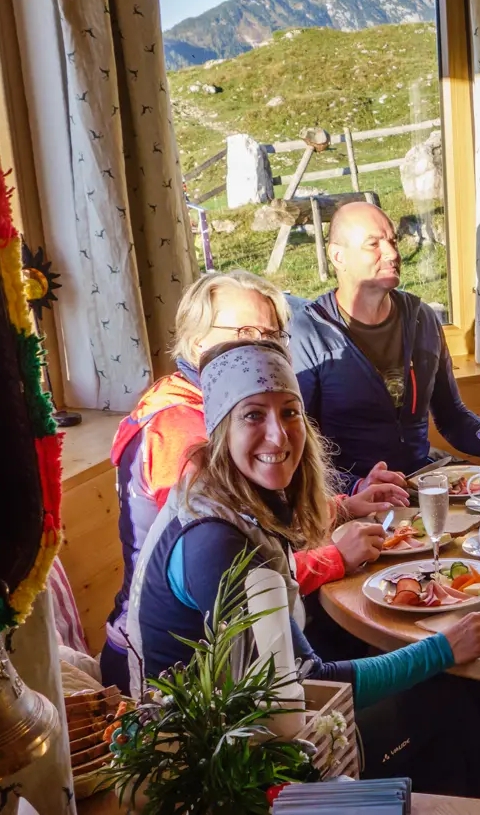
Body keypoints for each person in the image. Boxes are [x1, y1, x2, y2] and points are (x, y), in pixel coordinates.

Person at [125, 340, 480, 802]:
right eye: (253, 415)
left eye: (289, 413)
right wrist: (443, 650)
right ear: (220, 428)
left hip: (244, 714)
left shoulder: (229, 495)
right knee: (433, 693)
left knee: (431, 691)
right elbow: (307, 685)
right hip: (207, 763)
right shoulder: (217, 543)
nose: (279, 435)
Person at [103, 271, 405, 693]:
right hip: (177, 680)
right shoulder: (180, 430)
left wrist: (345, 504)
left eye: (273, 335)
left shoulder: (236, 406)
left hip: (238, 648)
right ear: (195, 343)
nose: (259, 346)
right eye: (244, 332)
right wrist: (334, 557)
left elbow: (257, 524)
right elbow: (231, 564)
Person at [291, 202, 480, 487]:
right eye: (373, 244)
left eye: (393, 241)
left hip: (422, 483)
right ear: (338, 256)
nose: (393, 253)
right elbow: (299, 449)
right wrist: (355, 487)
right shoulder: (308, 332)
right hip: (353, 501)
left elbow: (452, 416)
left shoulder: (421, 319)